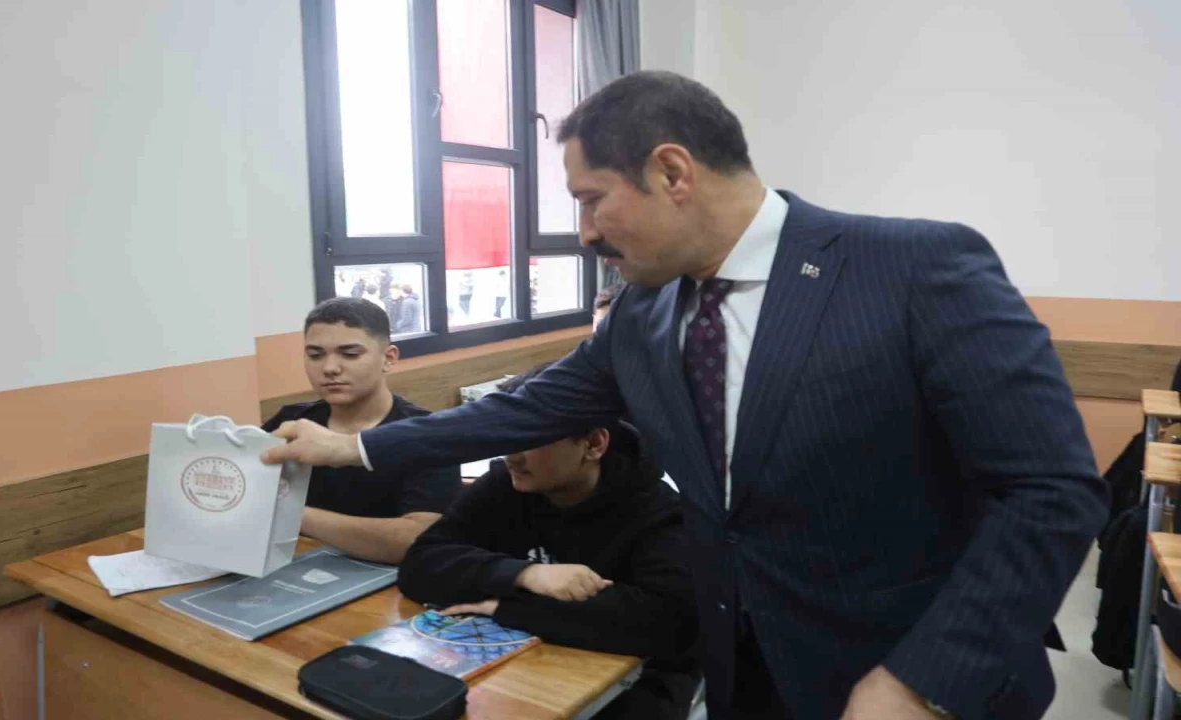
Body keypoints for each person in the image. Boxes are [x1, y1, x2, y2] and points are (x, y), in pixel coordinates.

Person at [264, 71, 1108, 720]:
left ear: (672, 171)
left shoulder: (911, 267)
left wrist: (923, 681)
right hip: (745, 667)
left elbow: (1050, 490)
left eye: (590, 200)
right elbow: (522, 411)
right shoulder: (645, 311)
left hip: (910, 669)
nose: (583, 233)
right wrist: (354, 445)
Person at [399, 364, 701, 719]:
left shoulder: (661, 512)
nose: (512, 455)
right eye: (506, 436)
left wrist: (505, 606)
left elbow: (663, 624)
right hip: (522, 663)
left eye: (529, 438)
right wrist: (525, 575)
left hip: (635, 683)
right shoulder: (504, 485)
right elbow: (420, 564)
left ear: (594, 444)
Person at [261, 298, 460, 564]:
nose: (330, 368)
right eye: (316, 355)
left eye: (350, 354)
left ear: (388, 358)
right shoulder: (289, 422)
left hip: (388, 579)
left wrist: (291, 514)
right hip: (294, 564)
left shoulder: (425, 435)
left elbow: (415, 539)